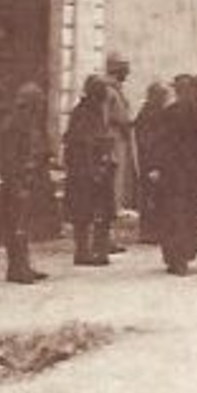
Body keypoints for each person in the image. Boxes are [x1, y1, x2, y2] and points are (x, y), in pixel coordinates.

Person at [152, 75, 197, 276]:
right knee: (180, 215)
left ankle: (178, 256)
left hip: (187, 175)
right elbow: (160, 143)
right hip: (179, 174)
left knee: (184, 215)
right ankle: (178, 257)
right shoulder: (178, 113)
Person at [0, 82, 50, 285]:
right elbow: (9, 158)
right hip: (16, 180)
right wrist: (17, 183)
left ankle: (22, 264)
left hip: (26, 178)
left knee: (23, 225)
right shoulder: (14, 125)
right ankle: (16, 267)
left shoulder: (26, 124)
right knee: (16, 225)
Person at [63, 74, 116, 266]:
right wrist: (96, 167)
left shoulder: (93, 111)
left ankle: (97, 249)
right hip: (86, 170)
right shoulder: (84, 112)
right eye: (100, 91)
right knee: (85, 211)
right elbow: (82, 142)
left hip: (93, 167)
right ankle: (85, 251)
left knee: (98, 210)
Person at [102, 52, 138, 254]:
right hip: (113, 143)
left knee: (116, 191)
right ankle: (105, 238)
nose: (128, 72)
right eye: (125, 68)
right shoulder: (109, 91)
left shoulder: (115, 90)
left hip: (119, 142)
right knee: (110, 192)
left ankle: (108, 237)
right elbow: (107, 118)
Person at [133, 81, 172, 243]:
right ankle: (149, 232)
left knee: (156, 197)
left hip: (156, 160)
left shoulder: (155, 113)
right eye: (163, 96)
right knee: (151, 197)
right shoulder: (150, 114)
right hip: (151, 161)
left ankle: (154, 230)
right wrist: (153, 164)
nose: (165, 99)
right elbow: (148, 141)